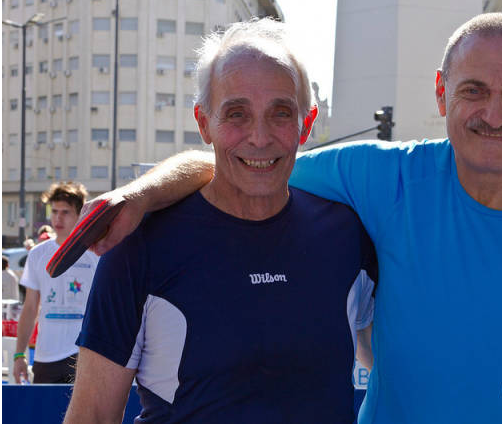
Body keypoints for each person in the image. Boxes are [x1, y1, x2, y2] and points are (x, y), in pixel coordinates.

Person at [70, 13, 502, 423]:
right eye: (473, 90)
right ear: (441, 93)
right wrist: (140, 197)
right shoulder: (383, 180)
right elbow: (247, 164)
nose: (494, 113)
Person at [64, 18, 377, 424]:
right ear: (203, 123)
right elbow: (91, 415)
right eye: (237, 114)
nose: (259, 137)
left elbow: (402, 367)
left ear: (307, 122)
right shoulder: (139, 246)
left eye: (281, 113)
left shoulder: (348, 236)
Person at [13, 182, 99, 384]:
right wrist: (19, 354)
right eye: (55, 211)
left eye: (65, 212)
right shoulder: (37, 254)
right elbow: (30, 307)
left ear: (80, 214)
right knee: (43, 406)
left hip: (83, 354)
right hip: (46, 356)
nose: (58, 218)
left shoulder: (95, 253)